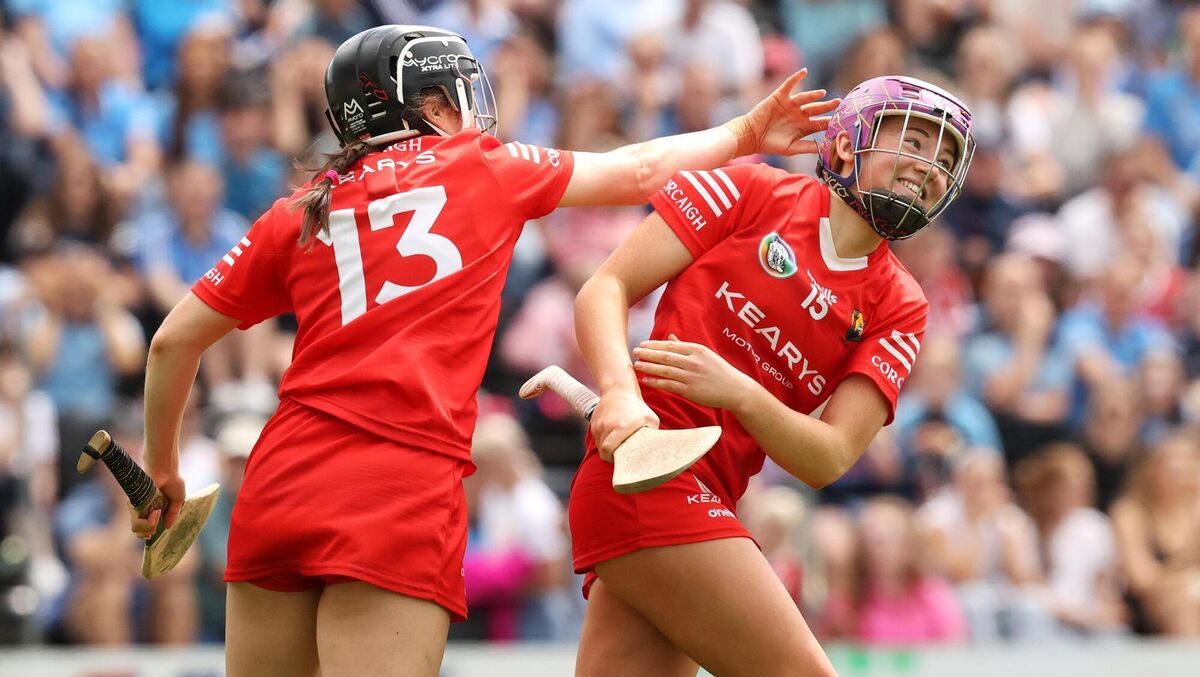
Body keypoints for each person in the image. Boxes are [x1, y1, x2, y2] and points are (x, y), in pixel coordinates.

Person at [124, 24, 836, 677]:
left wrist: (165, 470)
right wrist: (746, 131)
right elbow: (644, 171)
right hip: (397, 486)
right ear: (430, 105)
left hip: (280, 482)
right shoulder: (484, 165)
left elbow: (170, 342)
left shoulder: (300, 209)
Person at [569, 75, 975, 676]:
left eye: (944, 160)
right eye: (914, 142)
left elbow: (829, 457)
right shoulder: (753, 190)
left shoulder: (900, 304)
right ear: (846, 144)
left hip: (715, 493)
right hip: (642, 474)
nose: (930, 167)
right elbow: (605, 287)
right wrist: (620, 393)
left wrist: (738, 392)